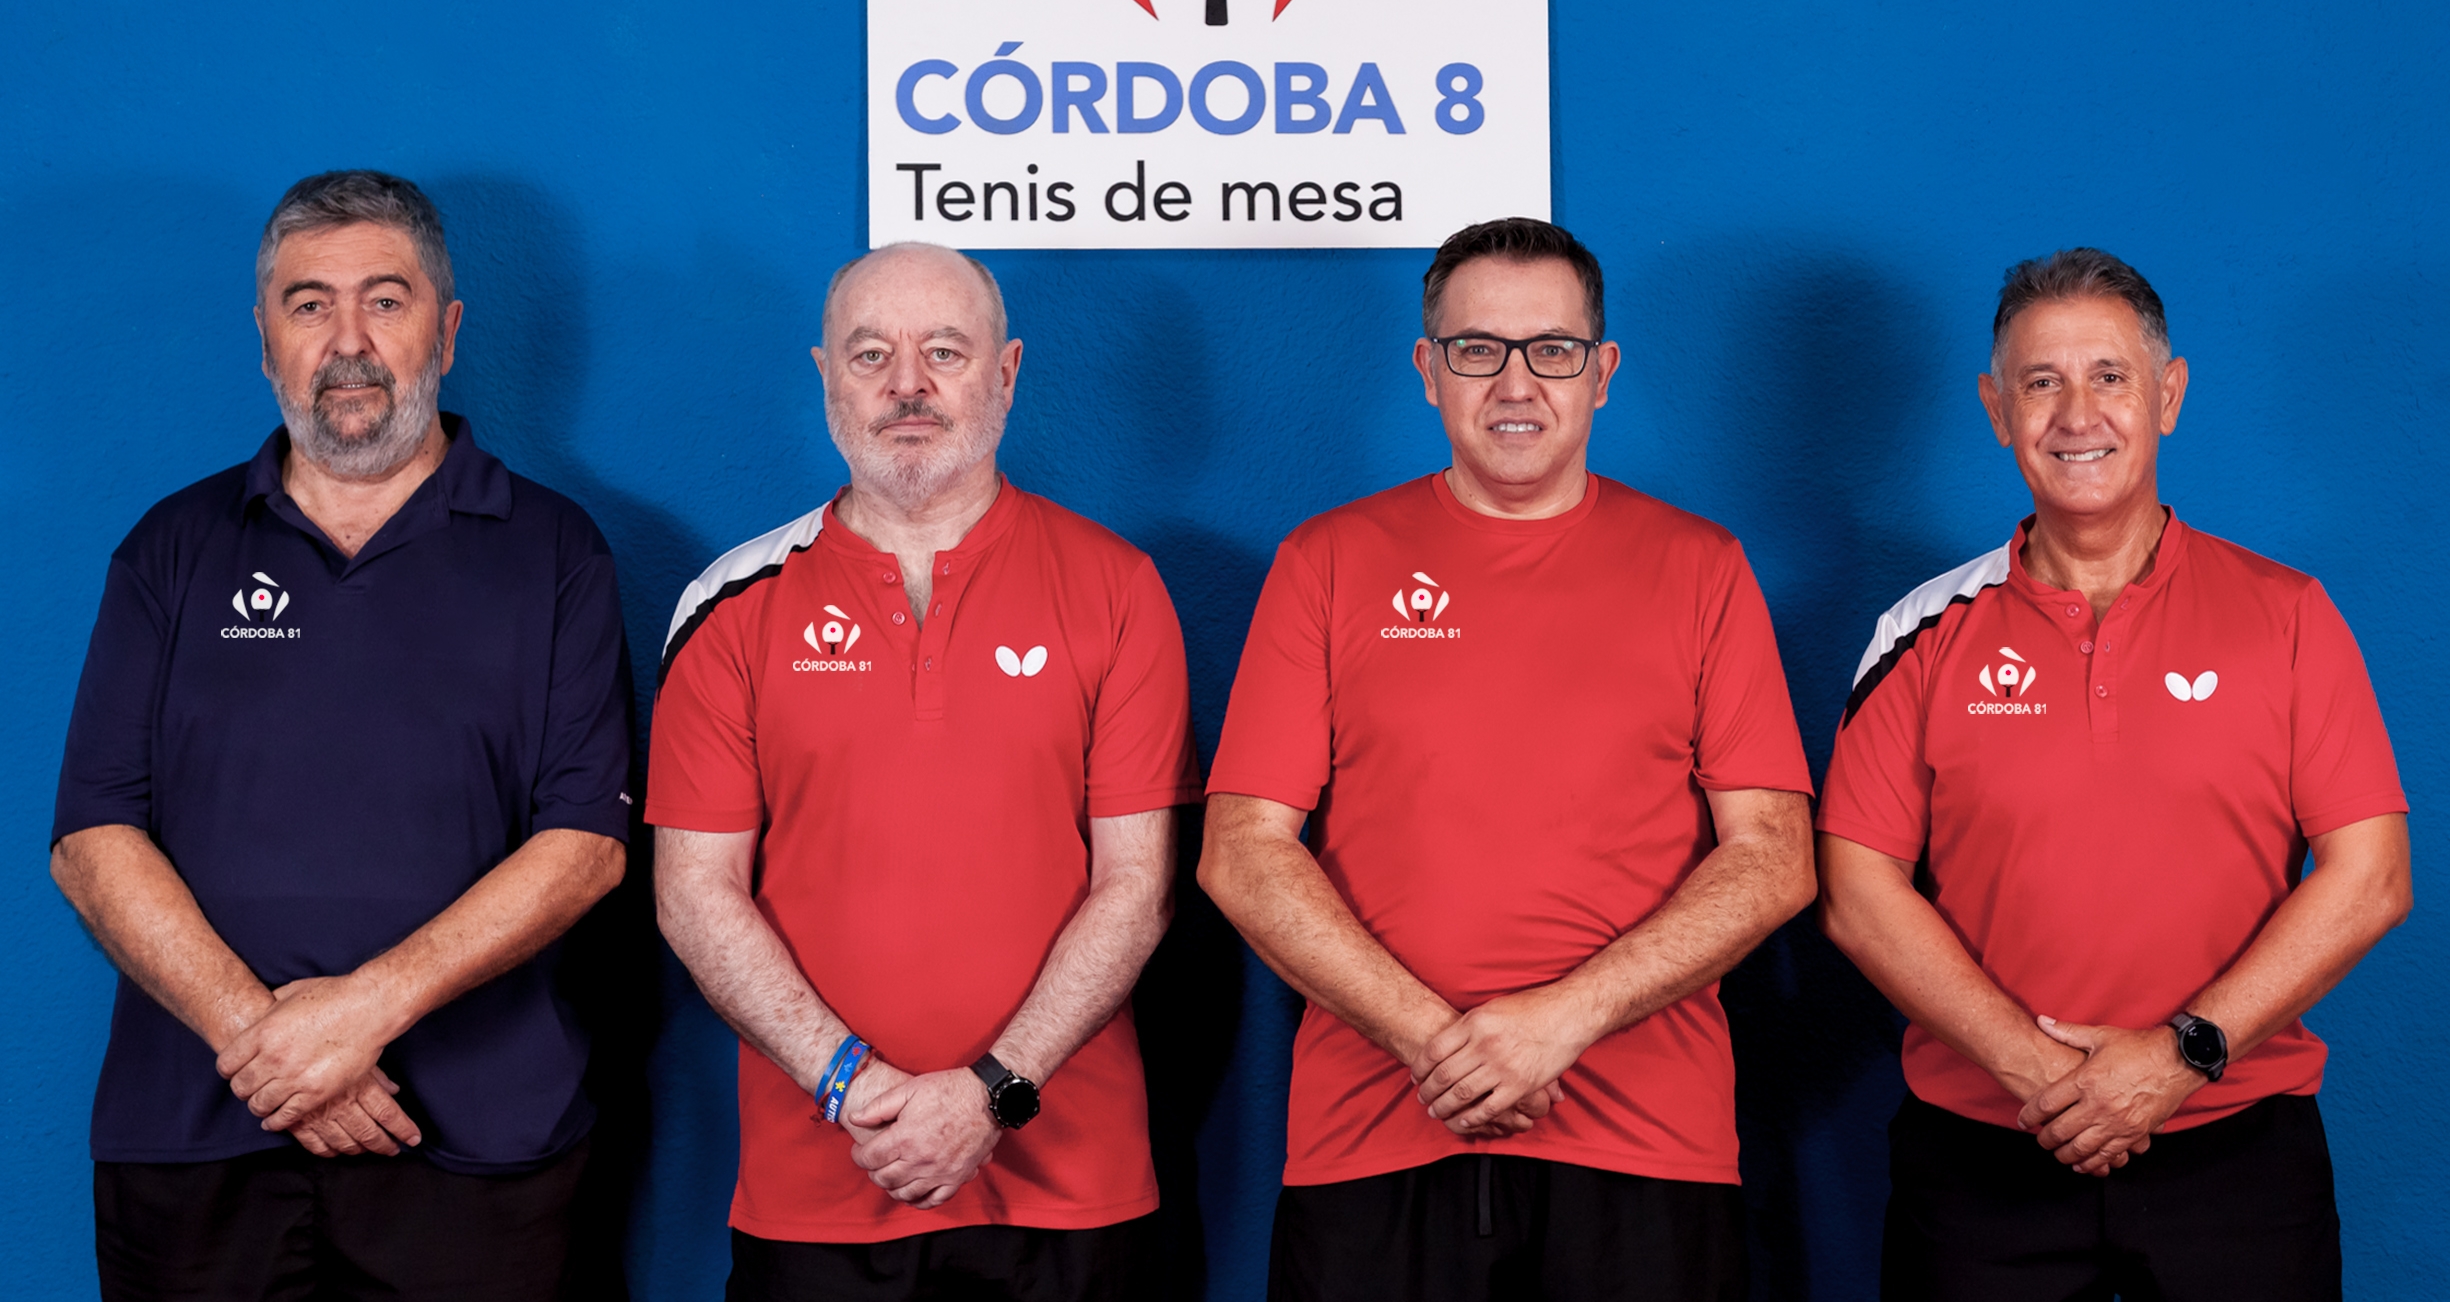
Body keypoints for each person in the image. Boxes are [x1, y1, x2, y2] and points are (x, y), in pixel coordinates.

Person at [1199, 218, 1818, 1302]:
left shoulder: (1701, 566)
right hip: (1373, 1136)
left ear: (1602, 372)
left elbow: (1774, 855)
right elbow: (1240, 851)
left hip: (1645, 1146)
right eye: (1478, 348)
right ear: (1428, 369)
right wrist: (1434, 1041)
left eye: (1553, 349)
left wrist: (1560, 1021)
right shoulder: (1326, 561)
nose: (1516, 382)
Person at [50, 171, 635, 1301]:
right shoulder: (171, 548)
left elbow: (584, 847)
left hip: (477, 1145)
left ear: (446, 332)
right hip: (196, 1139)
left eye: (385, 300)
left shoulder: (556, 551)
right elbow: (92, 837)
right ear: (265, 338)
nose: (349, 342)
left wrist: (361, 1013)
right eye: (309, 304)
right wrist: (270, 1047)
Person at [1816, 248, 2412, 1302]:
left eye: (2109, 376)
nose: (2076, 414)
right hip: (1982, 1153)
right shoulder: (1918, 632)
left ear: (2167, 396)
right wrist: (2044, 1075)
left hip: (2235, 1146)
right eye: (2041, 382)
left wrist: (2179, 1056)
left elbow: (2371, 877)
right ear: (1996, 409)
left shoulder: (2287, 615)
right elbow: (1858, 893)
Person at [649, 241, 1200, 1302]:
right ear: (826, 376)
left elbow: (1137, 885)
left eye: (944, 351)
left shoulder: (1117, 586)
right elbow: (694, 894)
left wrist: (992, 1093)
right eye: (871, 355)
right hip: (819, 1185)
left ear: (1007, 371)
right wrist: (851, 1086)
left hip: (1072, 1190)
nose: (907, 383)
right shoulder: (730, 606)